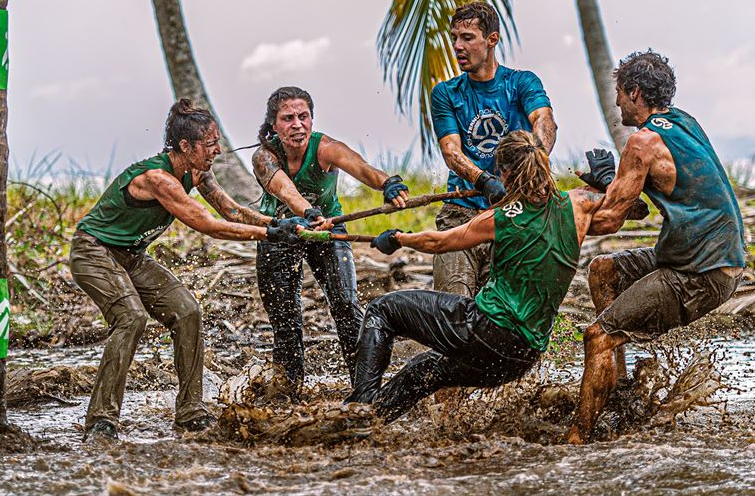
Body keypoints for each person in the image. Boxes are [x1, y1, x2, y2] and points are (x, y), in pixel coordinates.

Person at [345, 131, 619, 422]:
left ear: (504, 173)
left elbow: (439, 242)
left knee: (382, 309)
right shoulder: (580, 203)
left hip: (485, 329)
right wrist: (608, 182)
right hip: (522, 355)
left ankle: (359, 406)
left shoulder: (499, 218)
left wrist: (399, 238)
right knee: (425, 370)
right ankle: (367, 424)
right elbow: (630, 208)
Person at [70, 99, 302, 439]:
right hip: (93, 251)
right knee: (131, 318)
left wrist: (281, 223)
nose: (218, 151)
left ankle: (191, 412)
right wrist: (268, 233)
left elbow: (232, 212)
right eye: (210, 145)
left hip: (130, 255)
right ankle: (101, 421)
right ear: (185, 146)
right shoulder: (159, 179)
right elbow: (207, 224)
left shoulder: (197, 174)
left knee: (187, 310)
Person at [566, 50, 745, 444]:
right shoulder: (684, 123)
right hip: (708, 256)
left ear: (633, 92)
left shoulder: (642, 142)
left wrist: (560, 214)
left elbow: (610, 220)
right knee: (603, 270)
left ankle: (576, 442)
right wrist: (606, 184)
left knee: (597, 335)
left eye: (618, 93)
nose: (615, 102)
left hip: (701, 270)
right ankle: (620, 384)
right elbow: (643, 209)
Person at [252, 86, 410, 390]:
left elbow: (361, 167)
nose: (297, 124)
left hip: (329, 230)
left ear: (312, 120)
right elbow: (286, 191)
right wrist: (310, 214)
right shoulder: (264, 157)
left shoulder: (324, 147)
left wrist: (388, 183)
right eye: (288, 118)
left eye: (303, 116)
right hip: (281, 233)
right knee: (285, 319)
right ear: (274, 125)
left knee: (347, 307)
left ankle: (365, 389)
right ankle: (288, 392)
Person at [430, 0, 557, 297]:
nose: (458, 47)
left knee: (504, 315)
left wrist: (534, 160)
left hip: (513, 215)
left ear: (492, 39)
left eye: (467, 38)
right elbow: (451, 152)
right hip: (461, 213)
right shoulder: (446, 93)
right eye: (454, 39)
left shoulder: (521, 82)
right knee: (452, 308)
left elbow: (544, 120)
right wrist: (484, 181)